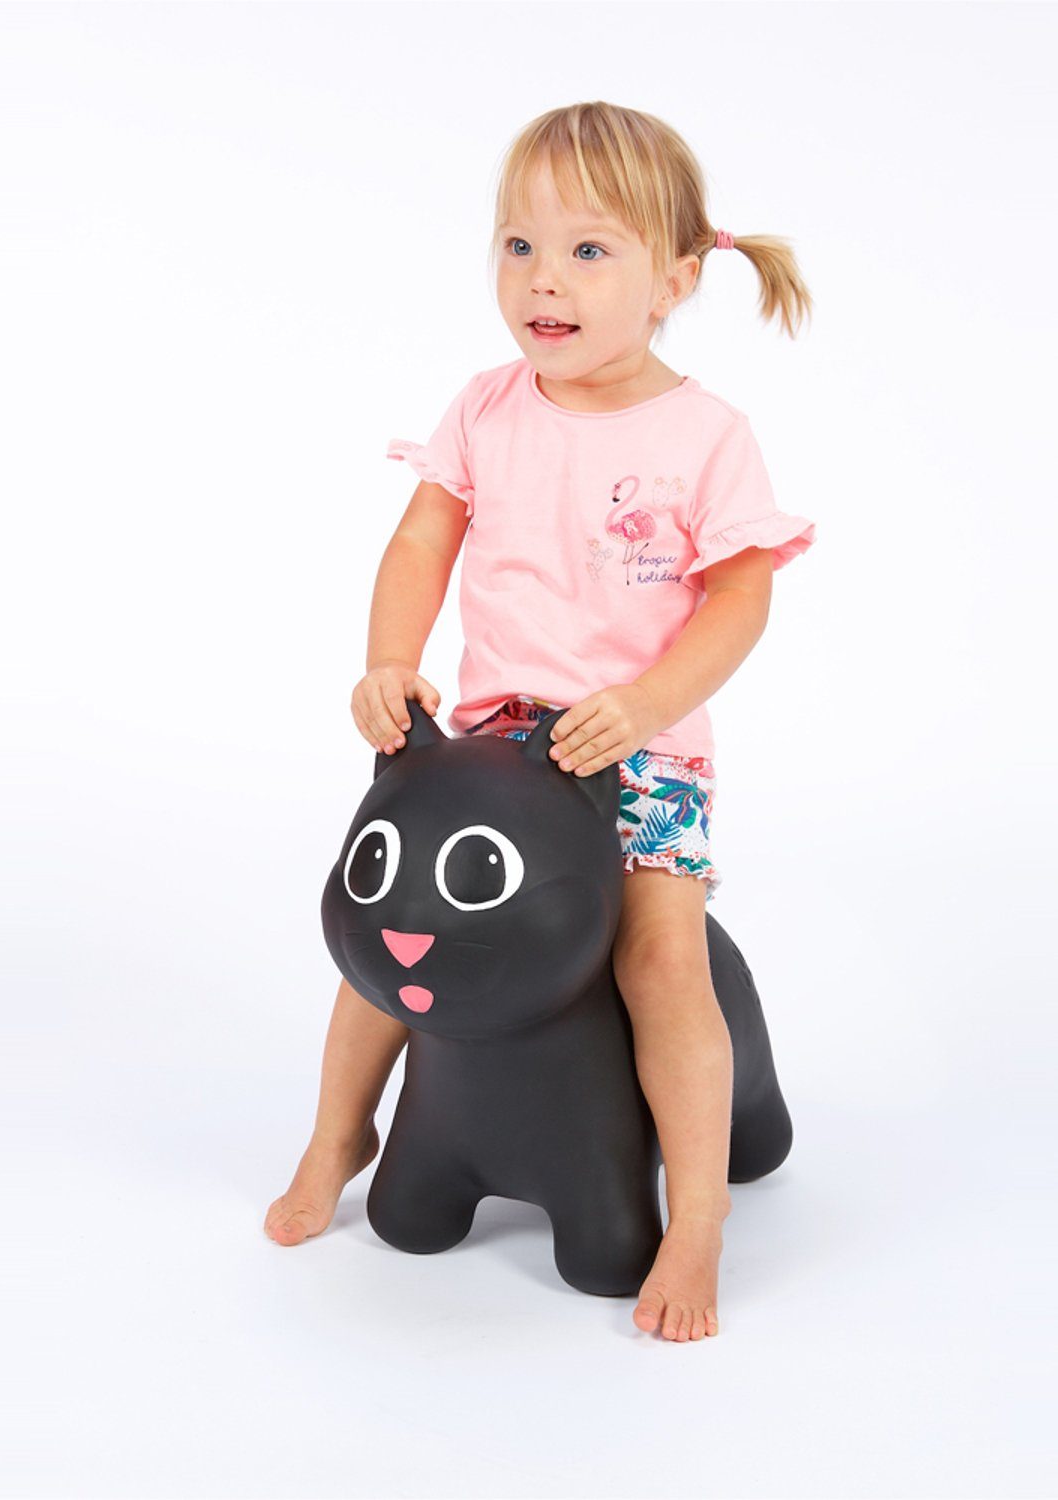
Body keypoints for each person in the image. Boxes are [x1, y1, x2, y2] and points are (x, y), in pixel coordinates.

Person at [265, 101, 817, 1343]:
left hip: (640, 750)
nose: (542, 279)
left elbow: (742, 599)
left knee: (663, 961)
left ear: (675, 280)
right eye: (518, 246)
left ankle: (698, 1215)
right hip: (490, 750)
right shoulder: (486, 405)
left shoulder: (706, 437)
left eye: (587, 251)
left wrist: (650, 704)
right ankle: (338, 1135)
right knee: (385, 946)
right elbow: (423, 539)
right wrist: (388, 663)